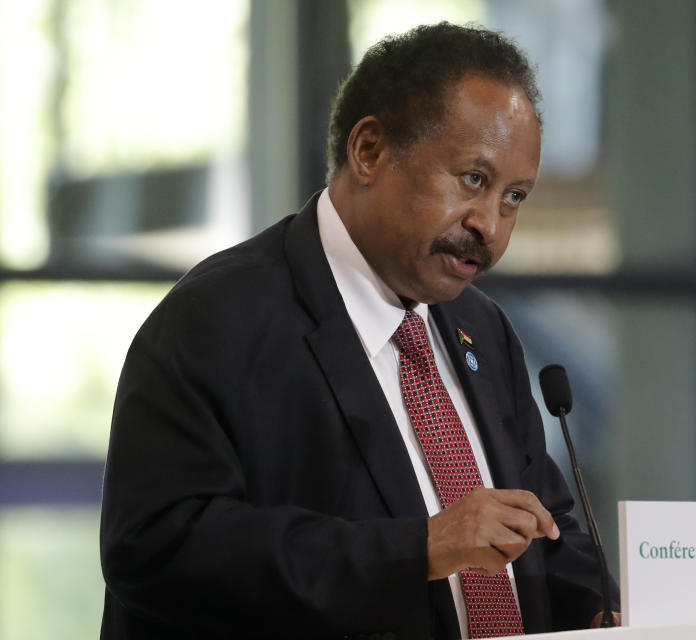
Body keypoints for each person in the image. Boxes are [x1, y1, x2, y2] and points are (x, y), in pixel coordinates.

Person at [100, 22, 619, 639]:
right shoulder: (217, 319)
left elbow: (542, 522)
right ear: (369, 151)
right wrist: (417, 548)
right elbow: (158, 549)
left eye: (514, 198)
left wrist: (596, 606)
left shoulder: (482, 327)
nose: (491, 225)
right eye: (473, 180)